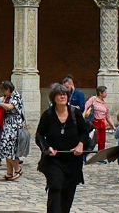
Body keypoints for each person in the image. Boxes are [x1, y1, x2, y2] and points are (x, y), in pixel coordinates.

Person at [35, 82, 94, 213]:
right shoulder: (48, 115)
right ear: (53, 98)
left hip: (73, 160)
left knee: (68, 192)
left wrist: (81, 144)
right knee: (55, 186)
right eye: (59, 95)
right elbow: (39, 136)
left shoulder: (75, 113)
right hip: (54, 160)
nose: (63, 97)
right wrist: (47, 148)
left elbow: (85, 132)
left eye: (65, 94)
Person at [0, 80, 25, 182]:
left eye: (4, 91)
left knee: (9, 149)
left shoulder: (16, 96)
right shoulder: (8, 97)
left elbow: (11, 107)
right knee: (6, 149)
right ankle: (9, 173)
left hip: (14, 127)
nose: (3, 93)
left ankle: (18, 169)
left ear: (8, 89)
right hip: (7, 126)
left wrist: (2, 104)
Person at [83, 85, 112, 152]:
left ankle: (100, 155)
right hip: (94, 122)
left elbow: (108, 116)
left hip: (102, 123)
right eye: (105, 92)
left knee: (102, 141)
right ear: (100, 93)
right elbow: (86, 107)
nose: (106, 93)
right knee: (91, 139)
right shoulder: (93, 99)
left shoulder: (105, 104)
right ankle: (85, 153)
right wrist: (83, 117)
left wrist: (113, 126)